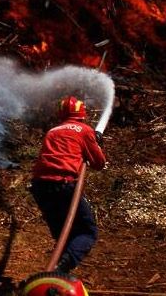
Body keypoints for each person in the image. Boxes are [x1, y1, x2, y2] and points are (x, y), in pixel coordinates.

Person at [30, 96, 107, 274]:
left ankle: (57, 276)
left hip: (40, 187)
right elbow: (99, 163)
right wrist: (95, 143)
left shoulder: (53, 131)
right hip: (63, 186)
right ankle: (60, 270)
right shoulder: (84, 130)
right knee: (88, 232)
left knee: (62, 235)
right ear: (82, 112)